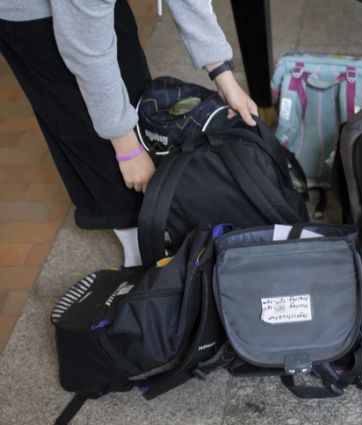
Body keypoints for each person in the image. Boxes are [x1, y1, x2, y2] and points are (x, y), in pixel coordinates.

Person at [0, 0, 257, 266]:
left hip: (90, 8)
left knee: (136, 94)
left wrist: (223, 76)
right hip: (29, 15)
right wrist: (127, 149)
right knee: (84, 128)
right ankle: (139, 252)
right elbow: (87, 54)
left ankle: (156, 223)